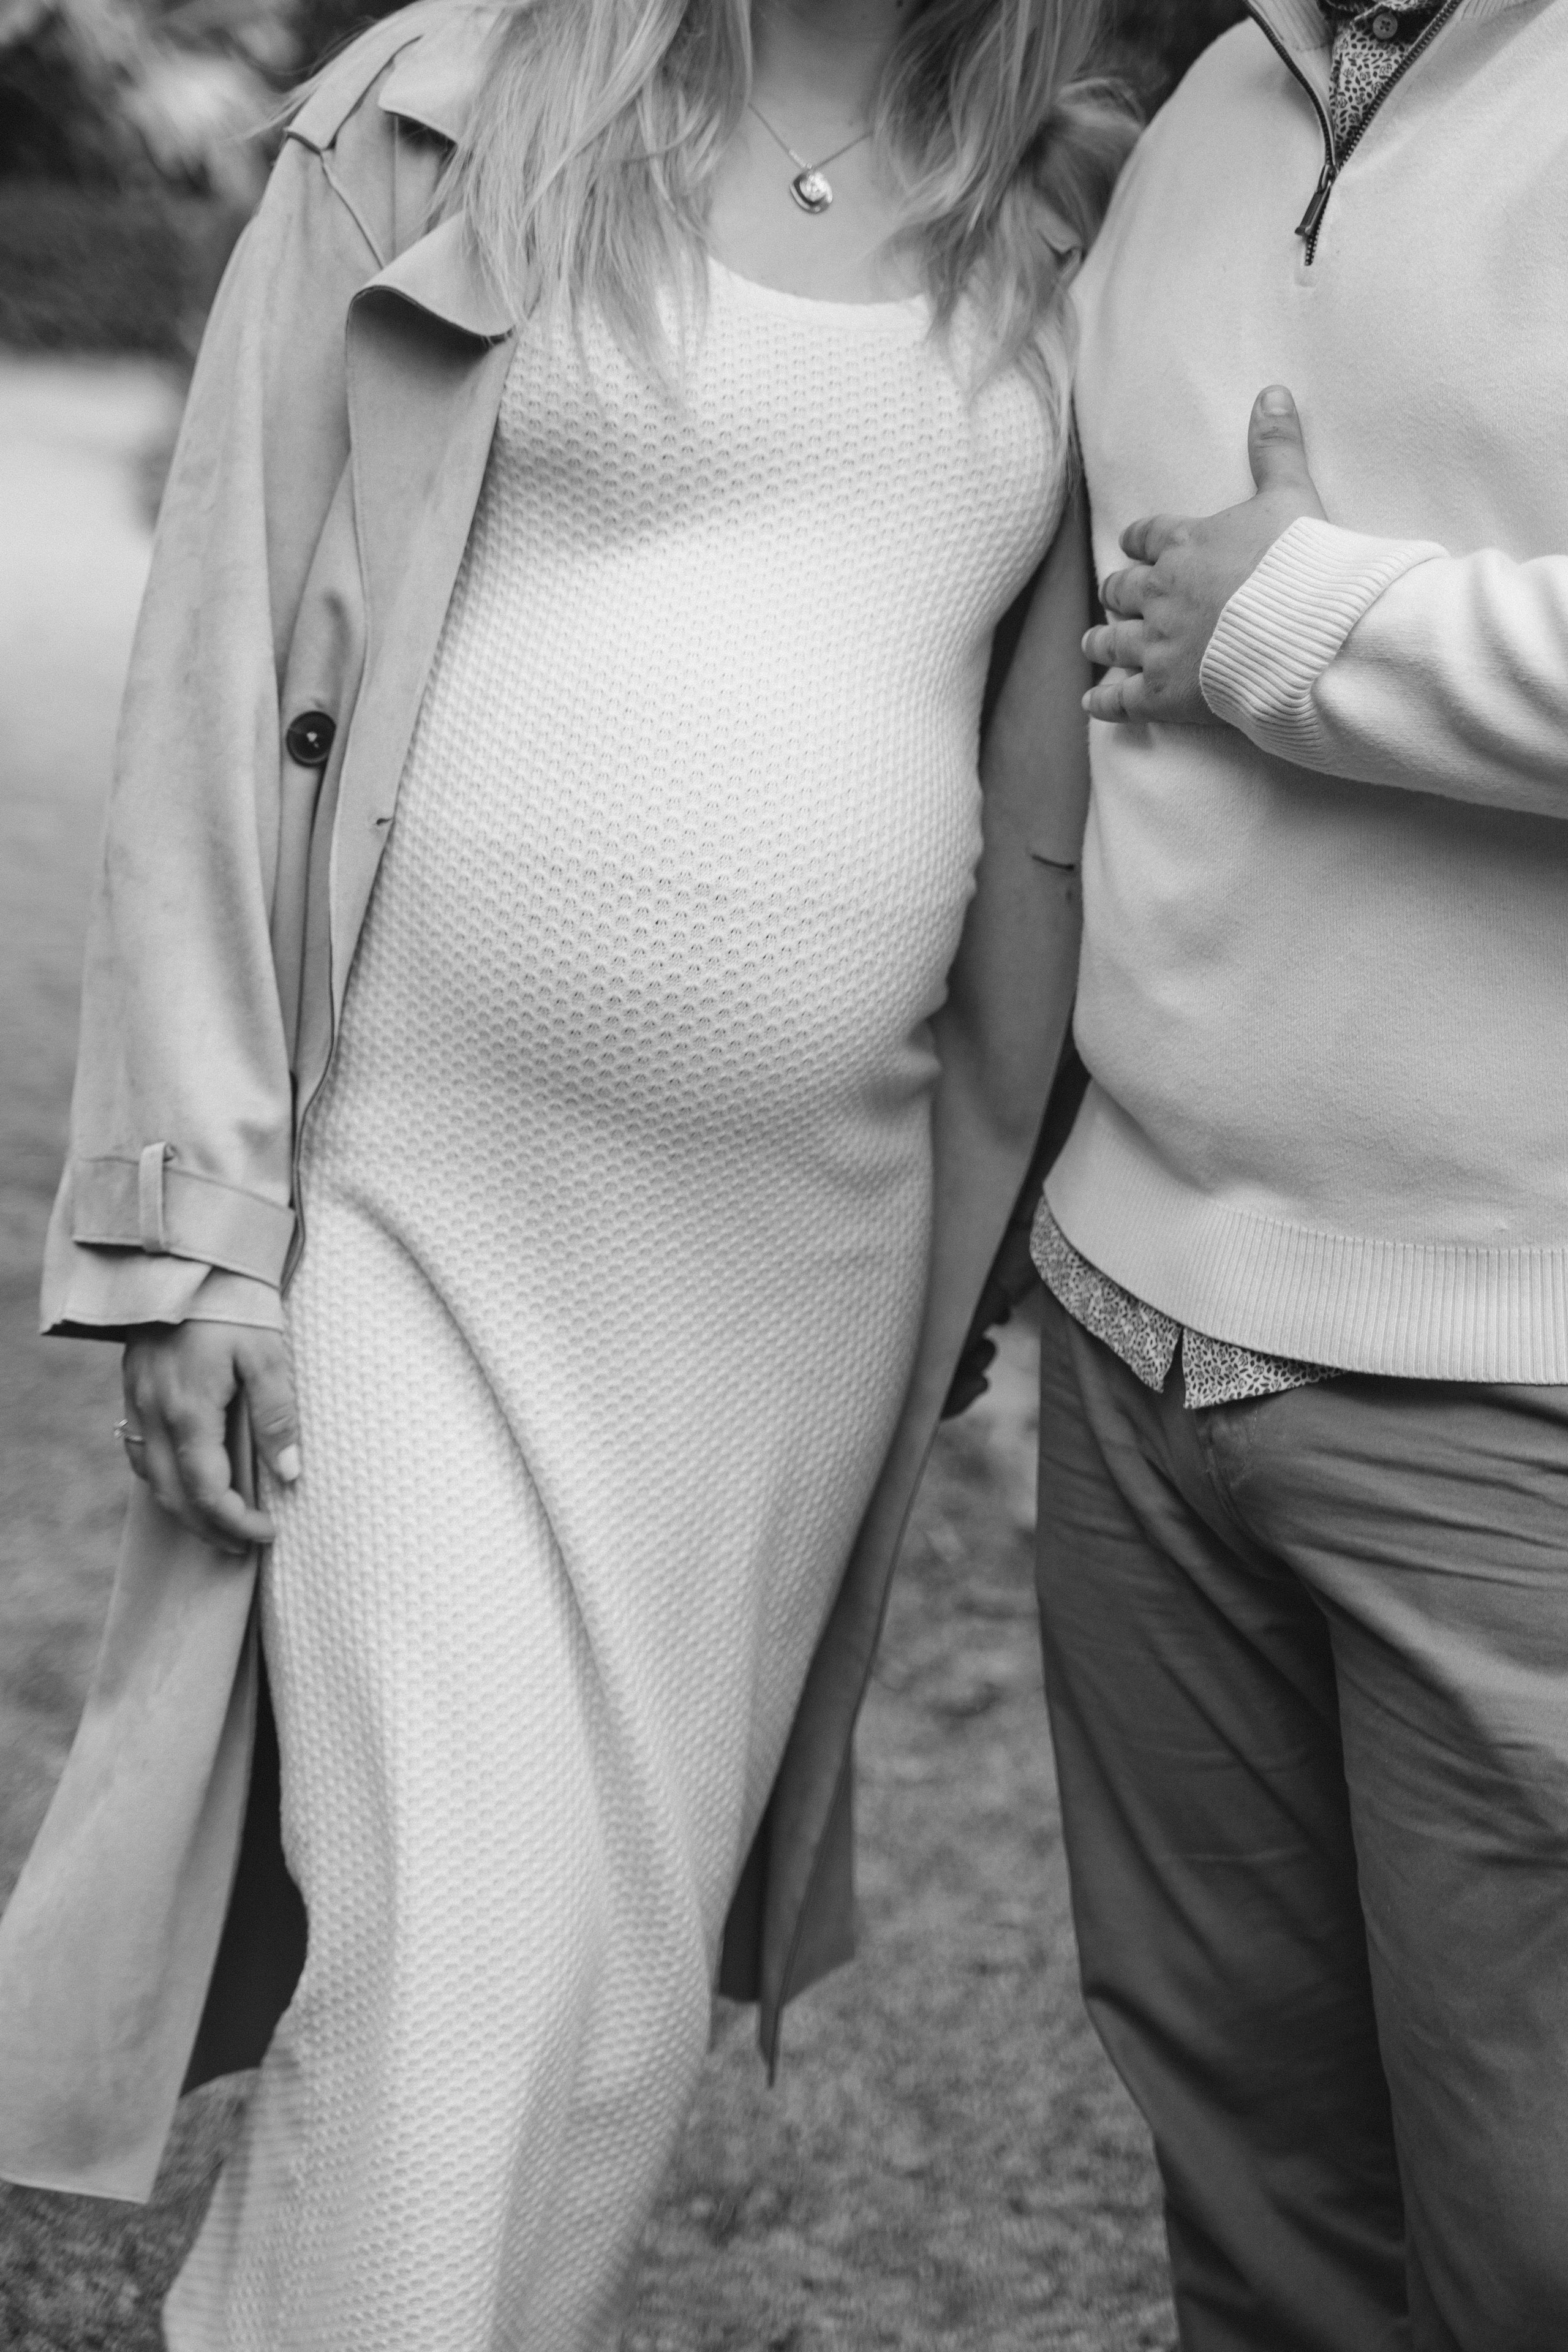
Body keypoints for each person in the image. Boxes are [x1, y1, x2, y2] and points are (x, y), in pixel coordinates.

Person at [0, 1, 1132, 2344]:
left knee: (609, 2026)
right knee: (457, 1963)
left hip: (796, 1273)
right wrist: (192, 1234)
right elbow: (222, 664)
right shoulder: (446, 109)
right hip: (411, 1198)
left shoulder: (1072, 201)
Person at [1011, 1, 1568, 2345]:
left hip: (1512, 1391)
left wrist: (1304, 622)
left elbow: (1225, 622)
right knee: (1258, 2218)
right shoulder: (1210, 119)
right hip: (1137, 1342)